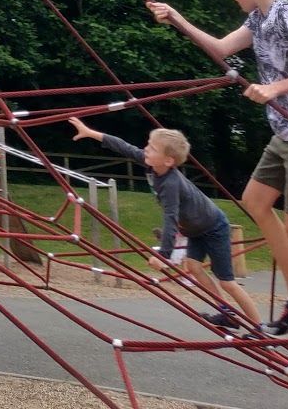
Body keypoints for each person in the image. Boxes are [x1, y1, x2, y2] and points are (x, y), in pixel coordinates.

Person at [148, 0, 288, 381]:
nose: (233, 0)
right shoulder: (257, 19)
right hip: (284, 134)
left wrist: (274, 90)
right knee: (254, 201)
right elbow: (219, 48)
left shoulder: (287, 15)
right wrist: (177, 18)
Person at [68, 116, 262, 334]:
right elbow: (124, 146)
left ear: (168, 160)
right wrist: (91, 132)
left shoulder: (171, 183)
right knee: (194, 267)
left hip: (214, 227)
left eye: (152, 148)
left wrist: (164, 256)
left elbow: (170, 218)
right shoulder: (151, 164)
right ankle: (227, 313)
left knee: (226, 281)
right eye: (148, 145)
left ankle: (257, 326)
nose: (145, 149)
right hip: (195, 229)